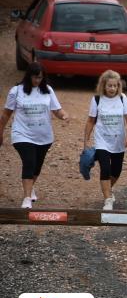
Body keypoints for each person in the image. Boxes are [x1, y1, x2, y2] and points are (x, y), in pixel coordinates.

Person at [0, 62, 68, 208]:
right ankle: (26, 198)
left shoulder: (47, 90)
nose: (38, 81)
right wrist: (1, 130)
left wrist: (63, 116)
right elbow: (6, 113)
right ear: (29, 76)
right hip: (22, 134)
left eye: (41, 78)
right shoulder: (16, 91)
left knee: (37, 167)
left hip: (44, 136)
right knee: (29, 162)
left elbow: (57, 110)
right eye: (35, 77)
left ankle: (30, 188)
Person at [83, 70, 127, 210]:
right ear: (103, 85)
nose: (112, 89)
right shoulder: (97, 99)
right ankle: (108, 200)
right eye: (109, 86)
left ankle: (107, 189)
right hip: (102, 140)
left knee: (116, 170)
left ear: (118, 86)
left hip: (118, 140)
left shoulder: (122, 98)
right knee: (105, 168)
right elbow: (91, 120)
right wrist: (86, 140)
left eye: (115, 86)